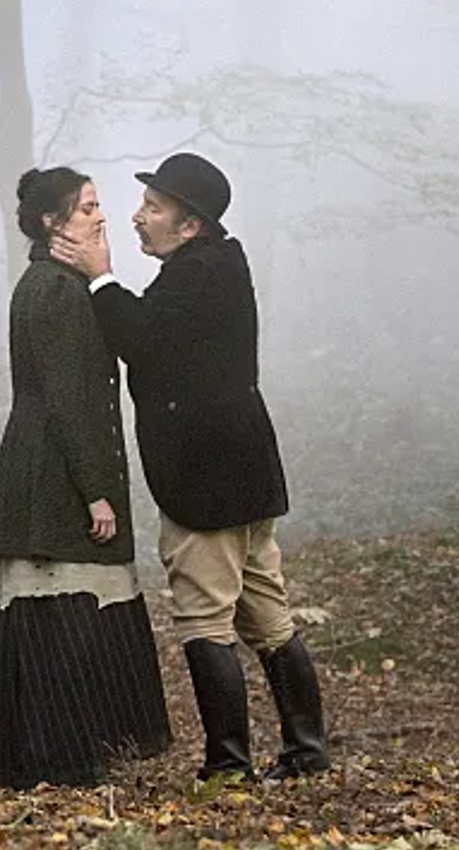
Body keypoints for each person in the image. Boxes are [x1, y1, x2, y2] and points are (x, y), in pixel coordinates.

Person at [50, 152, 330, 783]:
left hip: (207, 483)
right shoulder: (209, 264)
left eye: (154, 208)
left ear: (190, 226)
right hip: (244, 477)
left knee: (207, 622)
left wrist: (100, 278)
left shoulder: (200, 274)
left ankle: (228, 768)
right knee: (268, 618)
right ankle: (306, 752)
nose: (137, 217)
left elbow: (143, 338)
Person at [0, 166, 172, 789]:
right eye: (87, 208)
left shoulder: (56, 284)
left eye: (96, 206)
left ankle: (58, 756)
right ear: (50, 223)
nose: (101, 216)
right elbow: (68, 400)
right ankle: (54, 762)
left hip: (50, 469)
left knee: (71, 613)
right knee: (63, 614)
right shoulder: (56, 293)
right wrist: (97, 490)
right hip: (51, 478)